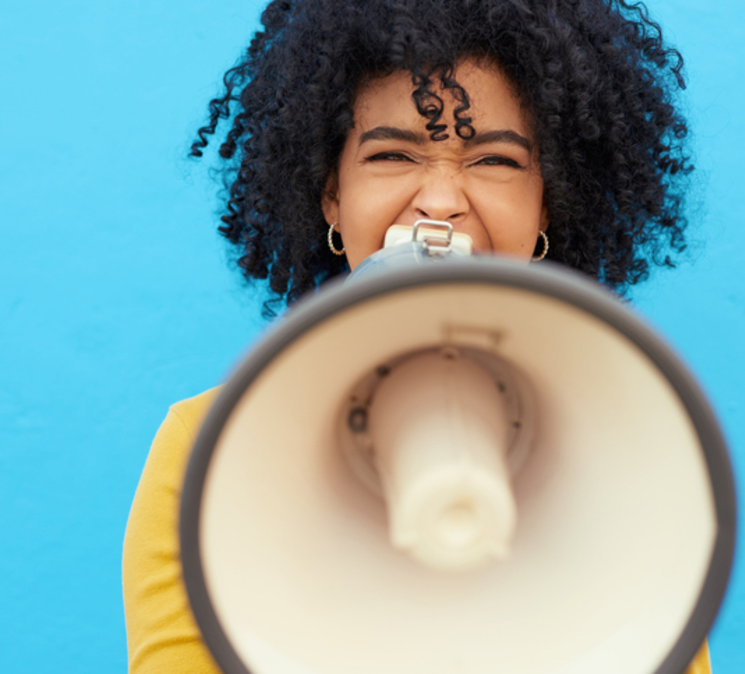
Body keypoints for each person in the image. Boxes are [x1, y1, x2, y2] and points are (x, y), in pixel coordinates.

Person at [122, 0, 710, 672]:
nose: (439, 201)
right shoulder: (207, 451)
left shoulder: (631, 462)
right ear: (330, 199)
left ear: (548, 204)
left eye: (494, 161)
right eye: (392, 154)